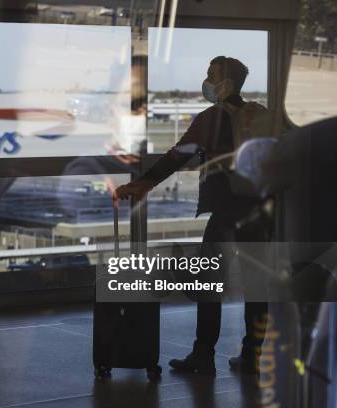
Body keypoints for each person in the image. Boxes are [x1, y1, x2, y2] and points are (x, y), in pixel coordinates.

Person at [114, 56, 268, 375]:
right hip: (261, 211)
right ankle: (252, 355)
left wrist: (141, 184)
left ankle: (203, 355)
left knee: (209, 285)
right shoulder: (260, 114)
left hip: (226, 211)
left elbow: (175, 158)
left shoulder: (210, 118)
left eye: (211, 75)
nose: (207, 80)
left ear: (225, 83)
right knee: (257, 288)